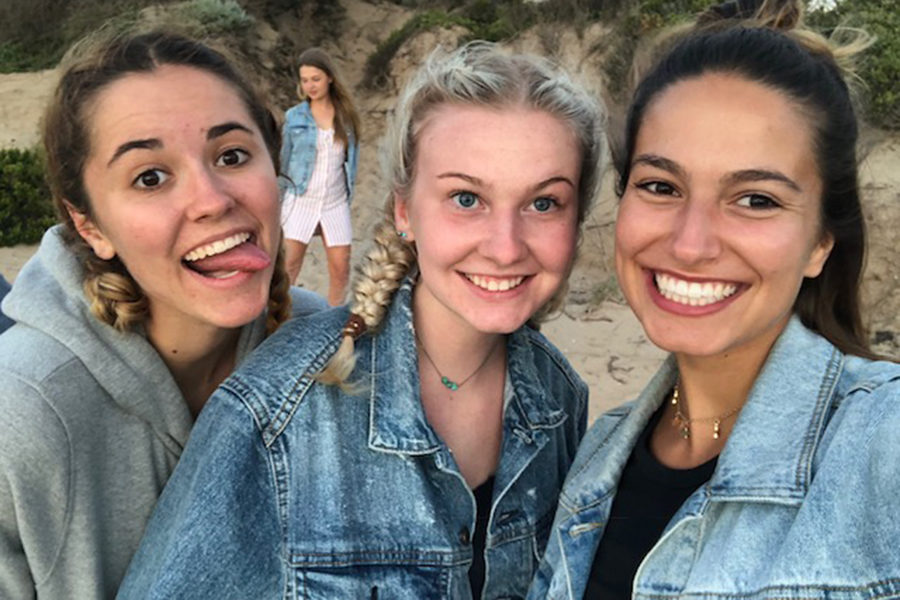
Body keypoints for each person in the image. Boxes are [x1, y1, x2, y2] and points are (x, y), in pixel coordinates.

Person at [118, 42, 606, 599]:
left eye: (544, 204)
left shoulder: (558, 397)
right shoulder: (274, 414)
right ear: (405, 210)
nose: (504, 246)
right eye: (466, 198)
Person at [528, 1, 900, 598]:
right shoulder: (598, 453)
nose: (691, 243)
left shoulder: (880, 443)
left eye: (756, 199)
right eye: (660, 186)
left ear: (820, 243)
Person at [0, 32, 326, 599]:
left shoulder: (322, 350)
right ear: (90, 226)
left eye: (231, 156)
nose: (212, 199)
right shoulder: (21, 412)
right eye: (150, 177)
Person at [280, 47, 360, 305]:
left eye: (315, 79)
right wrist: (279, 203)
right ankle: (280, 319)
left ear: (329, 78)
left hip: (334, 201)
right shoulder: (294, 117)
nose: (310, 86)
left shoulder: (346, 117)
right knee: (289, 266)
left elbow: (351, 160)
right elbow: (283, 163)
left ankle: (332, 322)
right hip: (301, 198)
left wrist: (349, 194)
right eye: (305, 80)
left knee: (341, 267)